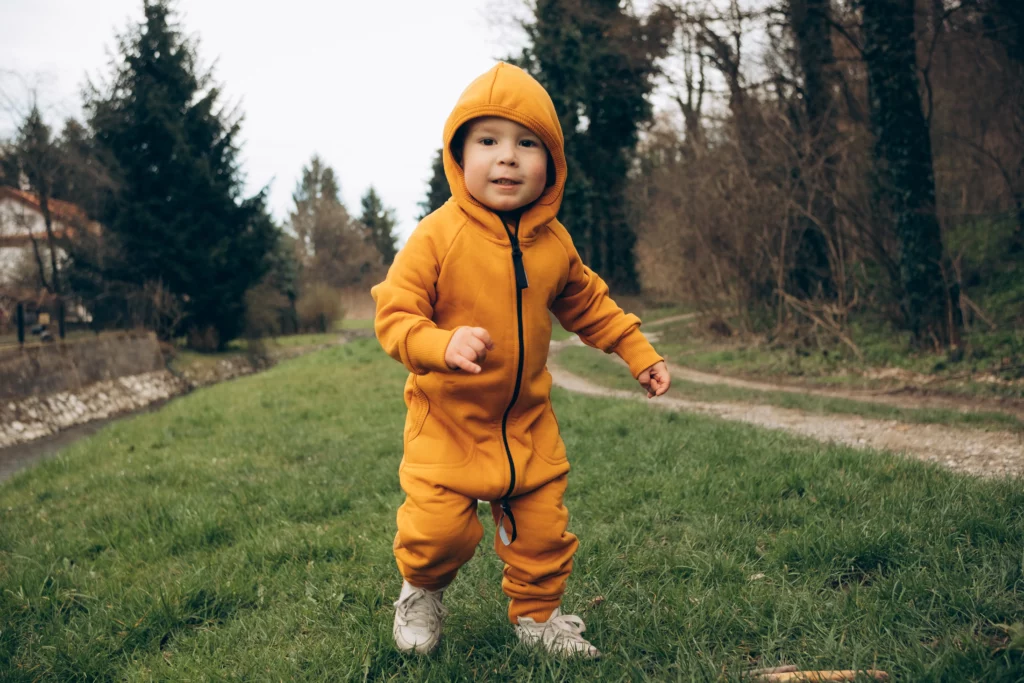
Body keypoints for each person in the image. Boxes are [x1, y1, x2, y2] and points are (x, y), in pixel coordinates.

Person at [371, 62, 671, 658]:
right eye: (488, 141)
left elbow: (589, 303)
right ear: (459, 156)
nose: (507, 157)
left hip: (527, 425)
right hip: (448, 424)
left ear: (551, 164)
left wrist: (637, 352)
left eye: (527, 144)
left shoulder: (554, 243)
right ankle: (421, 591)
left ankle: (538, 619)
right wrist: (439, 344)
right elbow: (395, 313)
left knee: (542, 533)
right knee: (437, 533)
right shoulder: (436, 236)